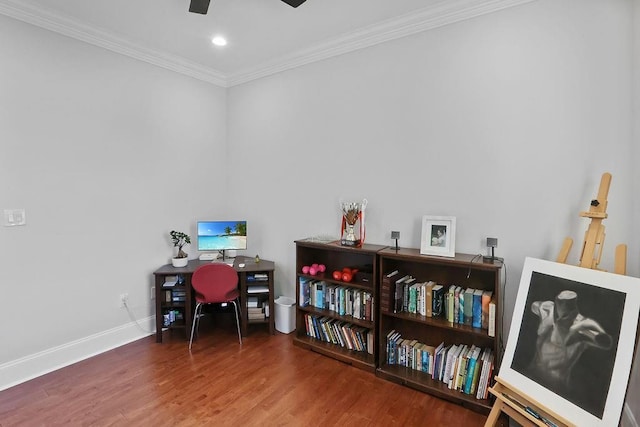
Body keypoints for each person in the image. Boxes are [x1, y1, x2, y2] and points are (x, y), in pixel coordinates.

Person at [527, 290, 612, 392]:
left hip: (554, 389)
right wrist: (546, 317)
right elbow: (533, 305)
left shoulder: (582, 327)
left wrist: (587, 330)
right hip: (530, 378)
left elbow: (606, 343)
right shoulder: (548, 310)